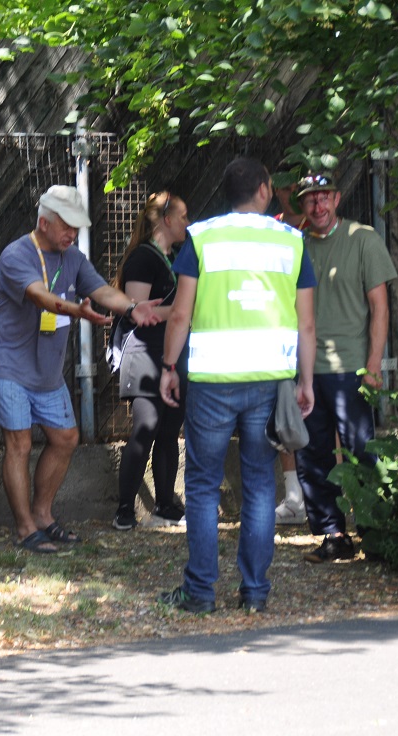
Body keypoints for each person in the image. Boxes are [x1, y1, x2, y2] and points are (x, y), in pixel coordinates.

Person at [156, 156, 316, 613]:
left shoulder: (202, 237)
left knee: (203, 484)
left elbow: (181, 314)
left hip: (212, 378)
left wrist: (168, 367)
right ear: (264, 190)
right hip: (270, 378)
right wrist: (305, 380)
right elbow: (306, 324)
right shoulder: (292, 241)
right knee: (261, 484)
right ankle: (255, 592)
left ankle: (200, 591)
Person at [0, 185, 162, 553]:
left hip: (46, 369)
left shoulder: (73, 257)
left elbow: (101, 291)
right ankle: (25, 529)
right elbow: (39, 295)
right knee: (19, 443)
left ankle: (43, 516)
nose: (72, 233)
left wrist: (131, 307)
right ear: (44, 222)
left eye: (76, 227)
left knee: (65, 438)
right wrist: (76, 310)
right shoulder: (17, 254)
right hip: (6, 363)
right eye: (66, 225)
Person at [295, 172, 398, 563]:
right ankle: (333, 535)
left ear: (337, 199)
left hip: (352, 366)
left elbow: (380, 307)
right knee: (312, 454)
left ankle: (375, 533)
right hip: (307, 367)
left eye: (324, 197)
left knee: (361, 452)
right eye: (310, 199)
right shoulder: (296, 245)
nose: (318, 205)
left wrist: (373, 365)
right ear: (302, 205)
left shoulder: (363, 239)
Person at [111, 190, 191, 531]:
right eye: (183, 216)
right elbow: (137, 312)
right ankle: (124, 510)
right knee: (146, 428)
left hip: (174, 352)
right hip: (145, 353)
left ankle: (165, 505)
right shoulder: (143, 257)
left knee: (170, 431)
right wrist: (182, 311)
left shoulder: (178, 257)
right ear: (167, 220)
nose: (188, 223)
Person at [270, 166, 310, 526]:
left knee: (320, 417)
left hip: (313, 334)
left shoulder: (316, 228)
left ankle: (324, 494)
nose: (291, 193)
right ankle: (294, 498)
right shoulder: (273, 228)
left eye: (296, 187)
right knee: (283, 414)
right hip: (279, 336)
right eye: (284, 187)